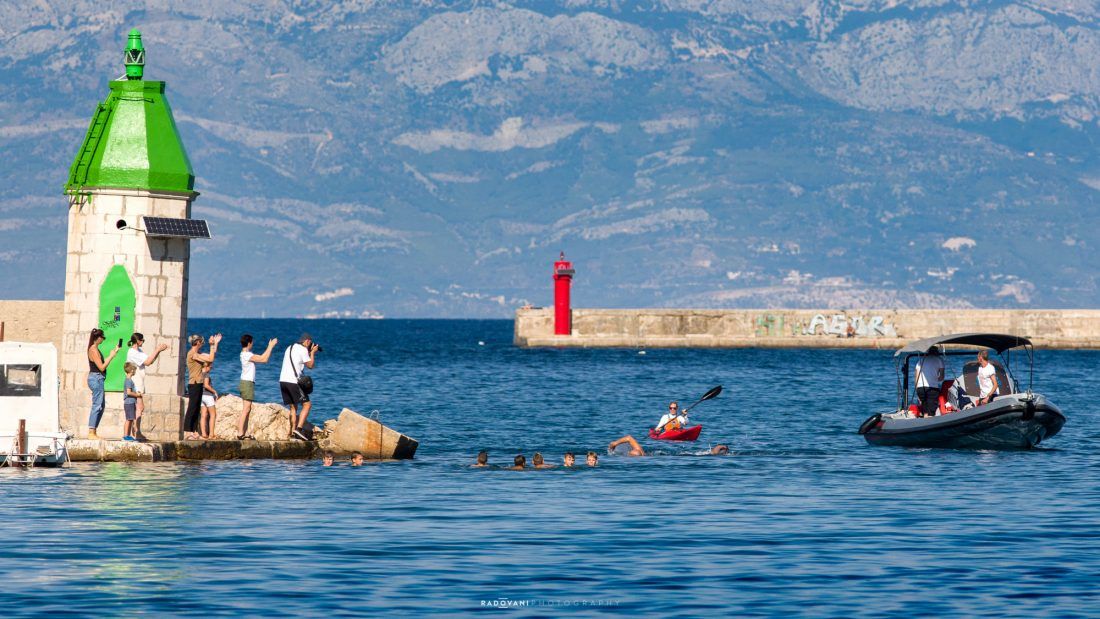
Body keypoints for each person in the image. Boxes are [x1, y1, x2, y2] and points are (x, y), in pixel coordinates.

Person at [126, 333, 168, 441]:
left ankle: (136, 431)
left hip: (140, 381)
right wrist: (157, 349)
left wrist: (158, 352)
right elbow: (148, 361)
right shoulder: (133, 352)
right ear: (138, 341)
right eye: (142, 340)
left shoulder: (139, 351)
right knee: (139, 407)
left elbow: (150, 360)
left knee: (139, 407)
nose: (143, 342)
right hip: (136, 383)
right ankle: (136, 432)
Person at [279, 334, 319, 441]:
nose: (309, 346)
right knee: (307, 405)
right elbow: (310, 365)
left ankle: (292, 432)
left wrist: (309, 352)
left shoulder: (290, 347)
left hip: (283, 380)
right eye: (310, 343)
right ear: (307, 341)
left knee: (293, 407)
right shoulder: (303, 350)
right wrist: (313, 353)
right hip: (293, 381)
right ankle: (299, 429)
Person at [238, 334, 278, 440]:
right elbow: (264, 359)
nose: (253, 344)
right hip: (247, 383)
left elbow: (263, 358)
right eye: (252, 342)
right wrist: (270, 346)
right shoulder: (246, 355)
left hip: (247, 382)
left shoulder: (245, 354)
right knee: (246, 409)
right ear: (249, 343)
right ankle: (240, 433)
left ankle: (244, 432)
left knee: (248, 408)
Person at [184, 334, 221, 440]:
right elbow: (210, 358)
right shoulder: (192, 354)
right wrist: (211, 345)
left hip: (199, 384)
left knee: (196, 409)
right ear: (197, 342)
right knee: (192, 408)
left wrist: (215, 344)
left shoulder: (197, 353)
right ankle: (188, 432)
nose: (201, 343)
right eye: (201, 341)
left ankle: (194, 432)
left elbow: (211, 356)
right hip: (194, 383)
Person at [87, 328, 121, 440]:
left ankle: (94, 431)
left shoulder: (96, 349)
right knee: (97, 405)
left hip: (98, 378)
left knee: (101, 406)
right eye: (103, 337)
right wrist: (111, 356)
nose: (103, 340)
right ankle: (91, 432)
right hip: (96, 378)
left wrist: (115, 351)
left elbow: (101, 364)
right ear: (98, 338)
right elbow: (101, 367)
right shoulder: (93, 350)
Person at [914, 345, 945, 416]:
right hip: (932, 388)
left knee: (925, 412)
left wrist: (917, 391)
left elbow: (916, 379)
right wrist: (935, 379)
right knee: (931, 413)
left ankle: (925, 420)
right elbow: (942, 377)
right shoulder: (939, 360)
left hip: (920, 388)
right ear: (937, 352)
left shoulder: (920, 360)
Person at [122, 362, 141, 441]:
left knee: (130, 419)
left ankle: (128, 435)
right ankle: (126, 436)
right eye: (135, 370)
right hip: (129, 402)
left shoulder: (128, 380)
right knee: (129, 419)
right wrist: (137, 395)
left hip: (130, 402)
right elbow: (129, 392)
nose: (135, 372)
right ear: (132, 370)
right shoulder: (129, 381)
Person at [200, 361, 219, 439]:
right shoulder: (206, 374)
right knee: (213, 414)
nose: (210, 369)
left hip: (201, 396)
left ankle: (204, 434)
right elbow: (206, 385)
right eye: (210, 367)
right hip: (208, 396)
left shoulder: (199, 374)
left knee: (203, 415)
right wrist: (214, 392)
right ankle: (211, 434)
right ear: (206, 367)